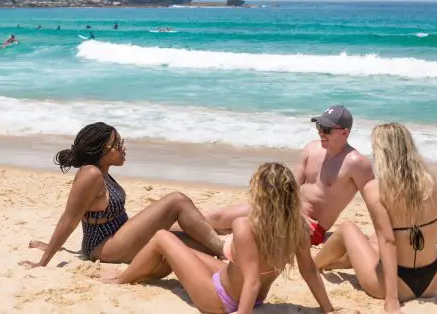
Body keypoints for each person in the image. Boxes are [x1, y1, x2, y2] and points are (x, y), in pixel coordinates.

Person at [103, 162, 356, 314]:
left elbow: (252, 279)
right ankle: (141, 274)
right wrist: (328, 309)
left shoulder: (245, 226)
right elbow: (308, 270)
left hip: (220, 299)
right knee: (181, 249)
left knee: (161, 237)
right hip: (247, 293)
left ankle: (120, 279)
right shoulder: (297, 227)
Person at [19, 122, 224, 268]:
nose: (123, 148)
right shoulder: (90, 174)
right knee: (177, 201)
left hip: (121, 234)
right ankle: (225, 251)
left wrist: (54, 247)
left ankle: (227, 249)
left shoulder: (102, 172)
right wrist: (43, 261)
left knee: (197, 241)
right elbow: (69, 219)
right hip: (103, 245)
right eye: (117, 144)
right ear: (103, 150)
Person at [314, 123, 437, 313]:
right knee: (374, 240)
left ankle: (313, 265)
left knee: (347, 228)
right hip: (432, 280)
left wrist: (392, 299)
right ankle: (339, 262)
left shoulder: (376, 189)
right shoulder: (430, 181)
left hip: (398, 285)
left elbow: (388, 241)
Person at [205, 105, 373, 246]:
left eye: (327, 129)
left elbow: (374, 203)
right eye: (319, 127)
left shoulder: (356, 164)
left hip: (310, 228)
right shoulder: (311, 148)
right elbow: (290, 187)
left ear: (345, 132)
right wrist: (291, 210)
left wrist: (378, 239)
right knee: (221, 217)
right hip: (286, 210)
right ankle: (190, 227)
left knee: (243, 226)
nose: (321, 132)